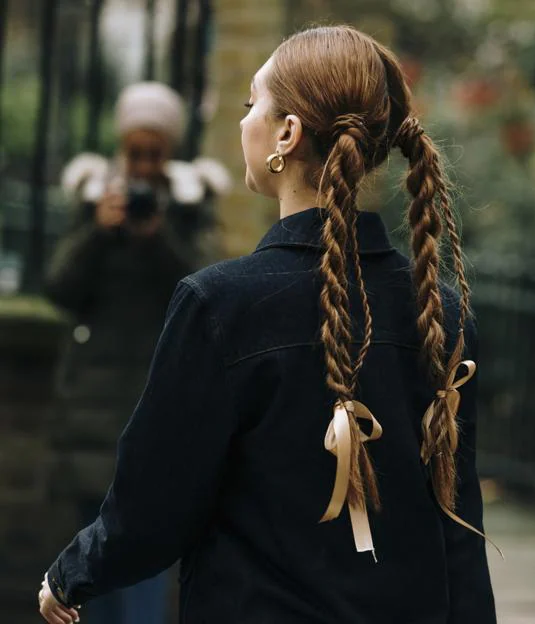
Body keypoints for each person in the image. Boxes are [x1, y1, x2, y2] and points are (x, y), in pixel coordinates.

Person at [38, 26, 497, 624]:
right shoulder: (441, 309)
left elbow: (155, 505)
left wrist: (70, 575)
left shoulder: (219, 304)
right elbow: (459, 523)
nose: (242, 121)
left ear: (287, 133)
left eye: (252, 103)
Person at [43, 82, 230, 624]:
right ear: (121, 149)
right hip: (92, 411)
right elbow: (58, 286)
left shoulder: (191, 208)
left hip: (156, 404)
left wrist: (159, 234)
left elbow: (205, 288)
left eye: (155, 153)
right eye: (135, 153)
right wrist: (97, 233)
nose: (144, 167)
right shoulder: (92, 203)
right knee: (90, 575)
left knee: (146, 563)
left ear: (169, 152)